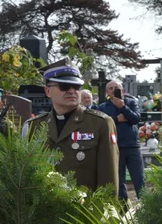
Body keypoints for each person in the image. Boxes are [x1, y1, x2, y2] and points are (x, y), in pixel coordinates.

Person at [25, 64, 119, 194]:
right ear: (48, 91)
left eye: (76, 86)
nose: (71, 91)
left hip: (84, 211)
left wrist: (103, 212)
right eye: (64, 87)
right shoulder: (34, 126)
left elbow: (108, 179)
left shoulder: (99, 124)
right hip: (44, 211)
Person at [98, 79, 145, 200]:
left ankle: (145, 203)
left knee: (139, 178)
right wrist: (117, 119)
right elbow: (102, 125)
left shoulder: (131, 103)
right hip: (115, 147)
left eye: (116, 88)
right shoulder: (103, 107)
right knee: (119, 180)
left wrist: (123, 107)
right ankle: (123, 208)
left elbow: (135, 119)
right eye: (111, 88)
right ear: (107, 92)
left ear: (122, 90)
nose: (114, 90)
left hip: (132, 146)